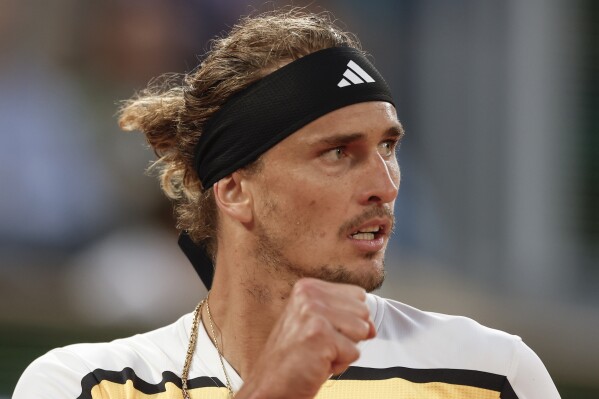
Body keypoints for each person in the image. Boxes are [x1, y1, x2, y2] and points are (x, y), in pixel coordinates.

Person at [13, 9, 560, 399]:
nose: (385, 185)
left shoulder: (490, 373)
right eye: (338, 152)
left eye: (388, 147)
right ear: (234, 190)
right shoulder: (86, 384)